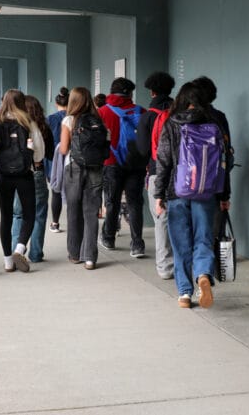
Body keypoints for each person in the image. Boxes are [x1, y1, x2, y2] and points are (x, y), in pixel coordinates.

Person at [154, 82, 232, 309]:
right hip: (207, 192)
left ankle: (185, 293)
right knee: (203, 239)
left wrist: (159, 193)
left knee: (181, 243)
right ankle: (203, 275)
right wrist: (224, 194)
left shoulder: (172, 122)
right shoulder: (216, 121)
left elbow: (164, 160)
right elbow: (224, 162)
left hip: (177, 191)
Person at [0, 89, 44, 273]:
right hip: (24, 175)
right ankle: (20, 248)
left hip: (3, 177)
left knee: (5, 217)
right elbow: (39, 152)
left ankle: (8, 262)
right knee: (29, 214)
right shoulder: (28, 122)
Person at [98, 77, 145, 257]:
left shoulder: (102, 112)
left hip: (111, 162)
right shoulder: (140, 111)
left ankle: (109, 238)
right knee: (134, 203)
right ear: (130, 93)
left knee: (112, 202)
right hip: (136, 163)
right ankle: (137, 244)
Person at [60, 87, 107, 270]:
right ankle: (90, 258)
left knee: (74, 210)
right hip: (96, 168)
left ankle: (74, 253)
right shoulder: (99, 120)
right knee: (91, 212)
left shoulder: (69, 120)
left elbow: (64, 149)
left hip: (74, 169)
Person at [136, 71, 176, 280]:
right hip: (184, 175)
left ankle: (165, 267)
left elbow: (143, 150)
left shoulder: (148, 116)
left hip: (157, 172)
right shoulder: (179, 111)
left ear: (151, 91)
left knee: (161, 220)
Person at [191, 75, 235, 247]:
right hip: (214, 182)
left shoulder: (182, 117)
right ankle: (210, 264)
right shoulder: (219, 117)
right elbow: (226, 156)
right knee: (211, 229)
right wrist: (225, 194)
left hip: (188, 183)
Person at [10, 95, 54, 263]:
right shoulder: (42, 127)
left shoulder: (15, 127)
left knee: (19, 214)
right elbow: (49, 154)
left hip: (19, 173)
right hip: (37, 171)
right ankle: (36, 254)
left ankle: (16, 250)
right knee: (39, 215)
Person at [46, 87, 69, 233]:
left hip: (54, 160)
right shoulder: (75, 118)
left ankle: (55, 223)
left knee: (56, 191)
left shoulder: (50, 119)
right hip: (72, 159)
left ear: (56, 103)